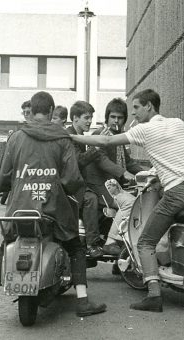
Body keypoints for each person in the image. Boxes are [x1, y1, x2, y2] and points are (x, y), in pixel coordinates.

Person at [0, 91, 106, 317]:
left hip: (20, 209)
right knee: (75, 247)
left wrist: (11, 186)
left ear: (31, 111)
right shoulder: (62, 138)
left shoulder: (16, 137)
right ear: (51, 112)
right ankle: (82, 301)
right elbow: (72, 179)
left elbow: (2, 178)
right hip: (54, 209)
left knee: (6, 245)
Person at [71, 89, 184, 312]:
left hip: (178, 193)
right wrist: (183, 168)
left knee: (145, 242)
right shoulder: (178, 123)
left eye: (136, 108)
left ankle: (154, 295)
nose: (133, 114)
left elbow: (105, 140)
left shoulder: (145, 129)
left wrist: (71, 136)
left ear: (149, 107)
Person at [85, 98, 143, 256]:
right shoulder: (100, 134)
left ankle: (123, 252)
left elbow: (129, 162)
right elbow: (101, 159)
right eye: (113, 117)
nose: (116, 121)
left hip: (112, 186)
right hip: (99, 186)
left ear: (125, 119)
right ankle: (111, 242)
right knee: (130, 206)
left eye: (120, 118)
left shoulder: (118, 137)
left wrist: (147, 173)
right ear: (107, 117)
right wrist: (123, 173)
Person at [66, 101, 105, 257]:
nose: (90, 121)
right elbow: (79, 161)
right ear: (75, 118)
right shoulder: (70, 136)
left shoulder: (79, 136)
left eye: (91, 118)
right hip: (70, 186)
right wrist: (97, 147)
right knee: (91, 199)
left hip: (76, 183)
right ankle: (92, 244)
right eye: (86, 118)